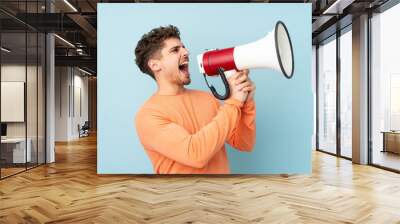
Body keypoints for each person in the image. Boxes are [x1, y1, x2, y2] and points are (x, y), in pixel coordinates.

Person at [134, 25, 256, 174]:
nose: (186, 52)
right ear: (155, 65)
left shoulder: (207, 99)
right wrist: (233, 102)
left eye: (184, 47)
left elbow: (244, 143)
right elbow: (195, 155)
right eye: (175, 50)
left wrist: (246, 103)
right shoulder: (149, 115)